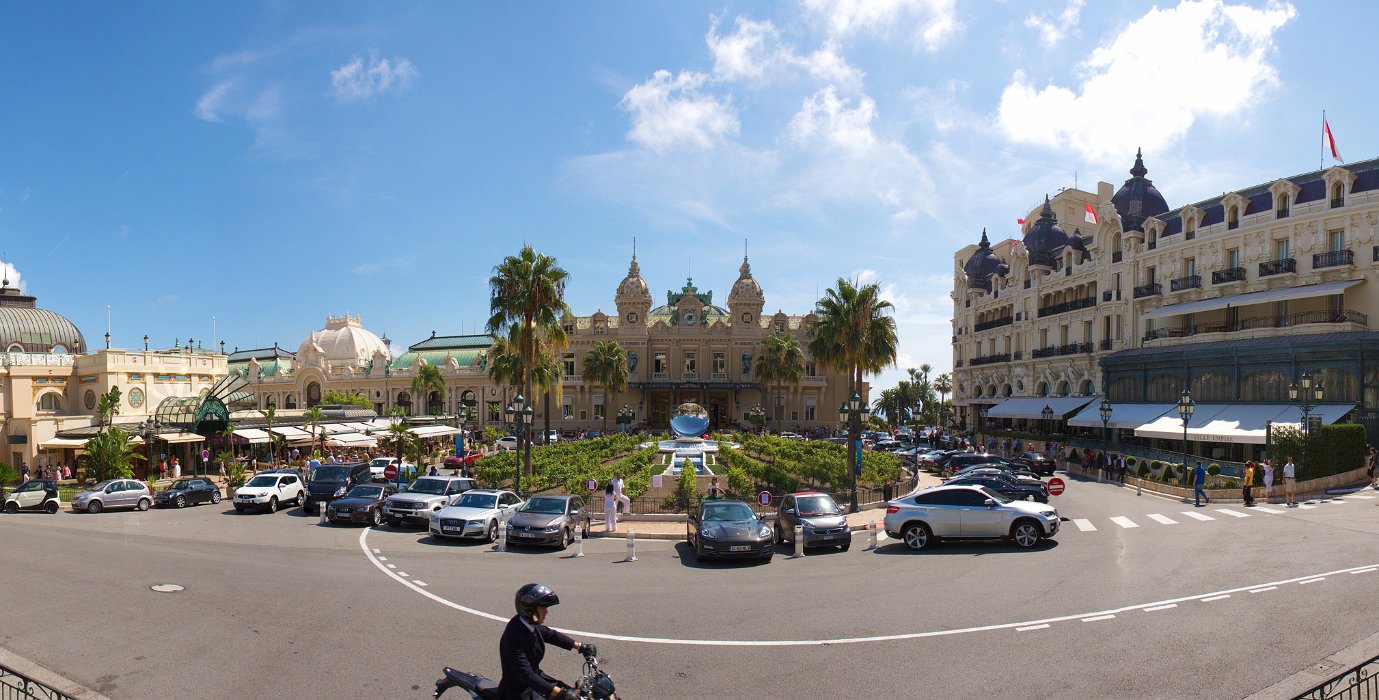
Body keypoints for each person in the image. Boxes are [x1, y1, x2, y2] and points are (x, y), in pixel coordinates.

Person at [498, 583, 595, 700]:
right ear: (531, 610)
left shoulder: (528, 623)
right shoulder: (513, 637)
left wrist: (580, 646)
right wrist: (560, 693)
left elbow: (550, 635)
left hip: (536, 679)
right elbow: (526, 674)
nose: (546, 612)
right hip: (519, 690)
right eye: (543, 608)